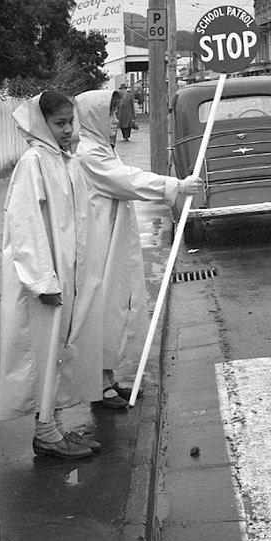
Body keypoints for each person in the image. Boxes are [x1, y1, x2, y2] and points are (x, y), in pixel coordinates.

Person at [75, 89, 202, 408]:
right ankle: (98, 384)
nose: (115, 120)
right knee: (102, 308)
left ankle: (107, 378)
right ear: (92, 118)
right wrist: (175, 186)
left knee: (113, 307)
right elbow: (127, 181)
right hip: (98, 242)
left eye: (115, 113)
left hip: (112, 238)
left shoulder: (101, 148)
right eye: (109, 114)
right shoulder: (89, 154)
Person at [0, 90, 103, 459]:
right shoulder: (34, 162)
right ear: (42, 124)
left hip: (65, 273)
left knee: (60, 351)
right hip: (44, 278)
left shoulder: (64, 159)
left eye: (70, 122)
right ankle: (45, 433)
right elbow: (24, 225)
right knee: (45, 353)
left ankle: (54, 428)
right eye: (59, 123)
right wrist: (42, 280)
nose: (68, 129)